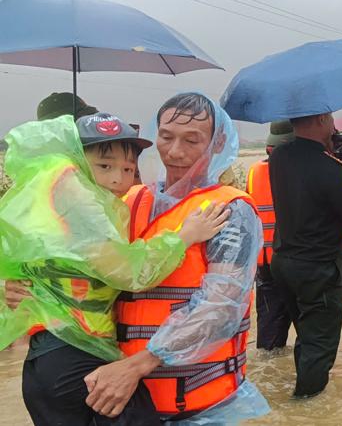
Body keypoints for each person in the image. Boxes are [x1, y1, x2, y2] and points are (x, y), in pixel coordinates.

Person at [0, 112, 230, 425]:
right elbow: (132, 272)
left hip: (45, 363)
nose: (117, 179)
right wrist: (184, 236)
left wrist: (16, 288)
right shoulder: (80, 210)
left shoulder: (45, 207)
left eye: (128, 169)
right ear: (75, 164)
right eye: (104, 166)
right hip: (76, 360)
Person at [78, 93, 269, 424]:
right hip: (123, 396)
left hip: (197, 399)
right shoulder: (129, 199)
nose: (175, 152)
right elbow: (90, 271)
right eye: (166, 137)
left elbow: (220, 307)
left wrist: (137, 365)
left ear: (218, 142)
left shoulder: (230, 211)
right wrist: (34, 291)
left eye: (192, 140)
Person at [268, 109, 342, 398]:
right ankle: (306, 405)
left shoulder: (279, 158)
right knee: (320, 344)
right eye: (331, 119)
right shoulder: (329, 169)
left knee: (307, 335)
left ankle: (302, 388)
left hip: (282, 262)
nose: (334, 126)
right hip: (317, 268)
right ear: (320, 120)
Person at [247, 120, 294, 353]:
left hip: (263, 259)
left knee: (268, 324)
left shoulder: (254, 171)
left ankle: (270, 372)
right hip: (290, 258)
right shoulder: (295, 170)